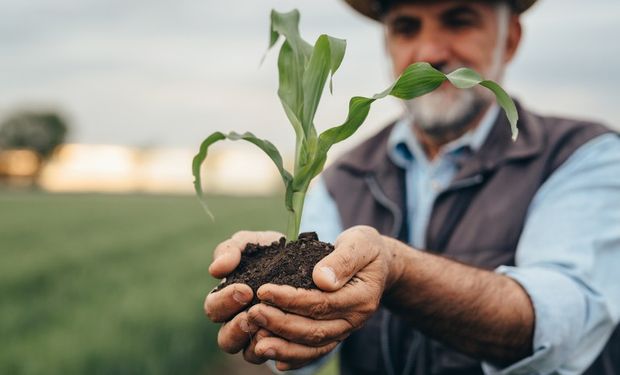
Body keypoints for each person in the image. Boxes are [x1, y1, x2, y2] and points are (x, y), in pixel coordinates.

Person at [204, 0, 620, 374]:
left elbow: (564, 321)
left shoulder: (582, 155)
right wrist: (268, 310)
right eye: (406, 27)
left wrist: (397, 269)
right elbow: (307, 347)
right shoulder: (344, 178)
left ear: (509, 39)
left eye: (458, 21)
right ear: (387, 43)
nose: (429, 53)